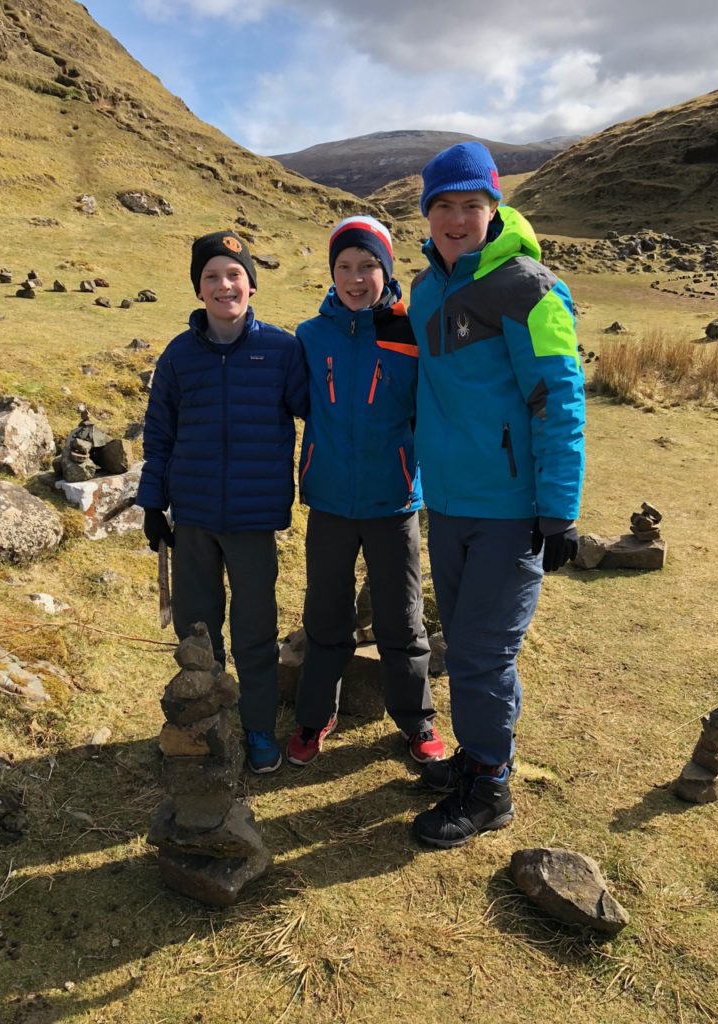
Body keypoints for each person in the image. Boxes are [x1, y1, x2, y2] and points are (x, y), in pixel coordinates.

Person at [408, 142, 585, 847]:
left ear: (495, 207)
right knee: (469, 645)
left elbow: (559, 394)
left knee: (482, 653)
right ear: (428, 214)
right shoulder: (427, 289)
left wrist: (560, 507)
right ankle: (479, 759)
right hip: (447, 504)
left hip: (510, 511)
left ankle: (490, 790)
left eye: (470, 205)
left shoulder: (527, 286)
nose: (457, 219)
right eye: (443, 206)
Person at [137, 230, 308, 774]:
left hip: (254, 522)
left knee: (255, 632)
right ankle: (200, 726)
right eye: (211, 276)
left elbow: (320, 415)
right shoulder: (179, 355)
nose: (224, 284)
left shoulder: (281, 351)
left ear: (251, 285)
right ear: (198, 289)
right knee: (196, 631)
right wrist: (151, 502)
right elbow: (159, 431)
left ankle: (258, 729)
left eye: (234, 274)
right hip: (192, 520)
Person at [286, 216, 443, 767]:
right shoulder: (310, 335)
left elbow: (433, 412)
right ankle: (314, 717)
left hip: (395, 501)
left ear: (386, 269)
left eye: (368, 266)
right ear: (332, 273)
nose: (356, 278)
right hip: (328, 500)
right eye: (345, 267)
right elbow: (295, 405)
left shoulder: (409, 329)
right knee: (325, 617)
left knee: (402, 619)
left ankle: (417, 721)